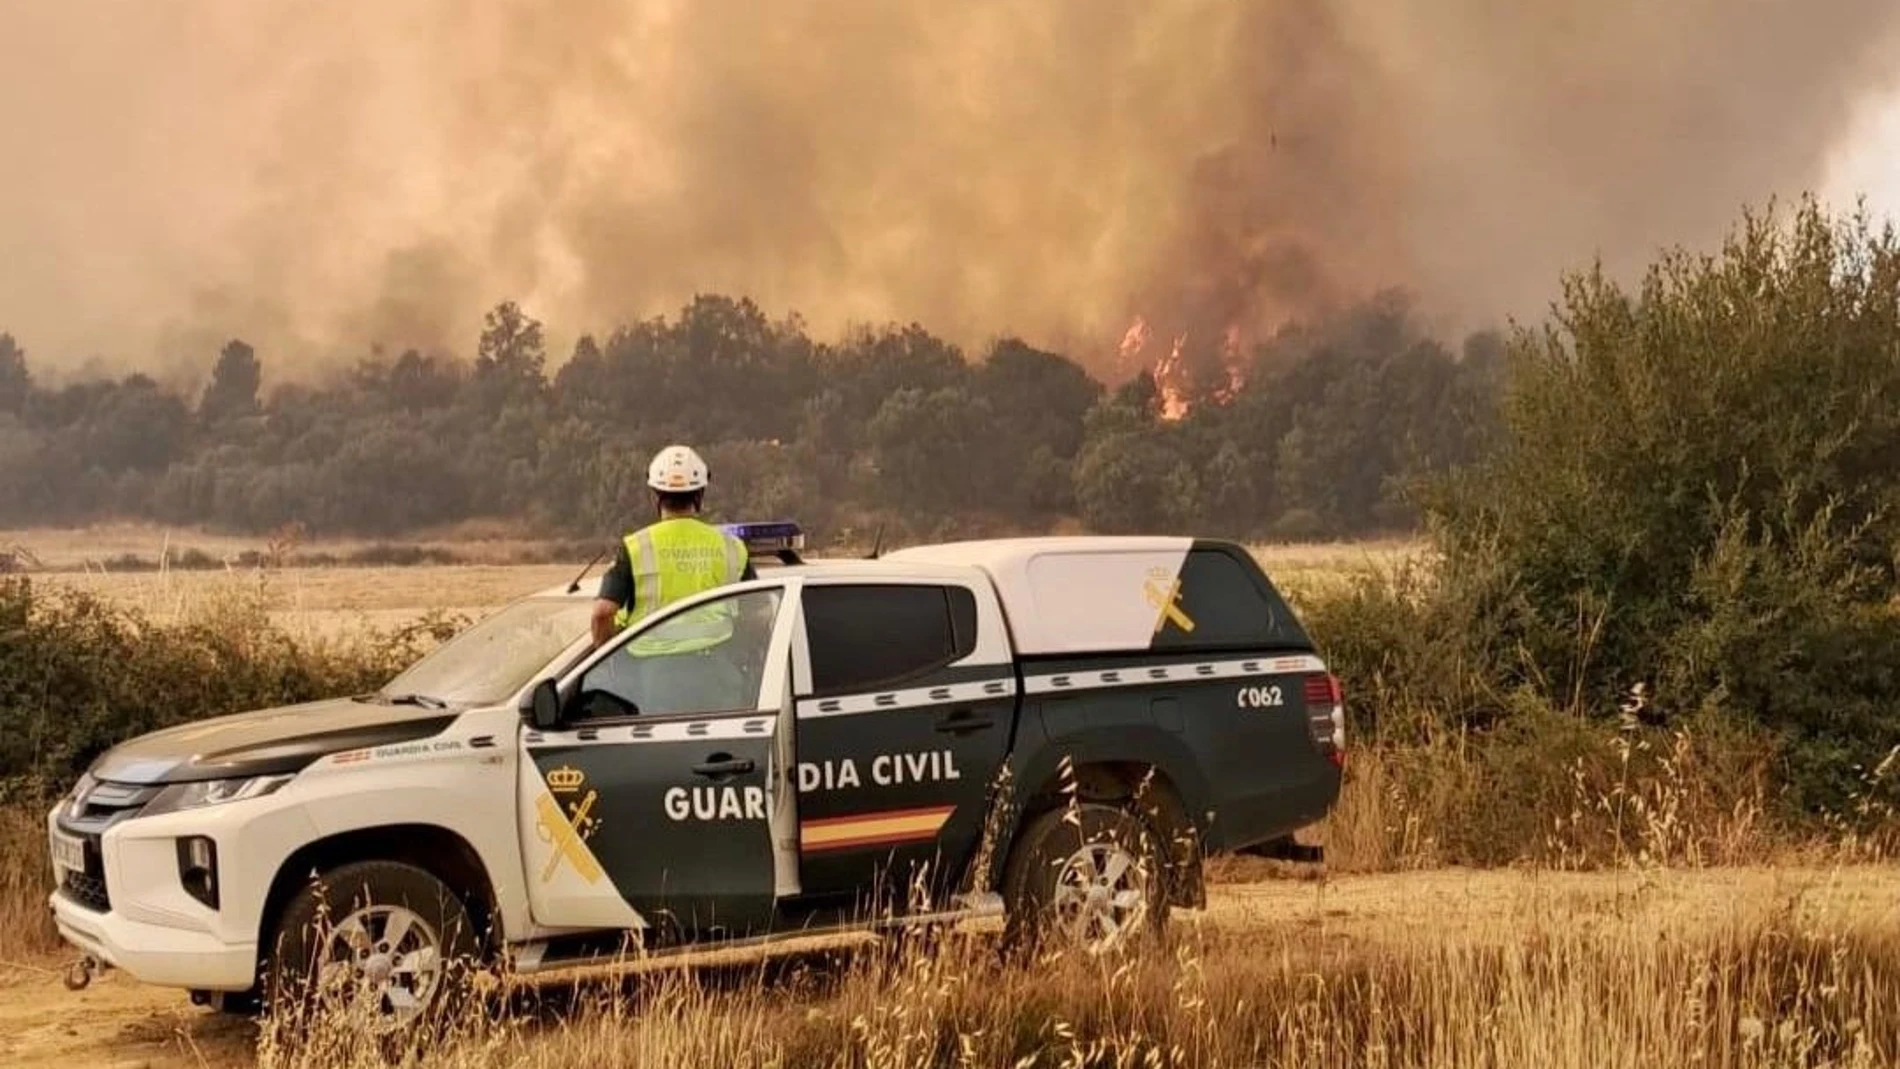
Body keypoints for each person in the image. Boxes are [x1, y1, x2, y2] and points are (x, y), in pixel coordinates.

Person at [590, 444, 755, 652]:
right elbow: (759, 611)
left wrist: (608, 657)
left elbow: (602, 613)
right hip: (717, 666)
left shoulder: (636, 547)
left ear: (656, 496)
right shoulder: (732, 547)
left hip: (649, 672)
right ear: (700, 495)